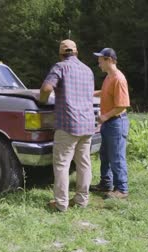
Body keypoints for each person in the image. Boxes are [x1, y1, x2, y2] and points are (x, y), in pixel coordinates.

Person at [40, 39, 95, 212]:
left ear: (61, 53)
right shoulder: (88, 70)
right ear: (76, 52)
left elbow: (47, 88)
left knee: (62, 164)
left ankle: (61, 204)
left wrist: (42, 100)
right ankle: (81, 201)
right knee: (84, 164)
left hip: (68, 124)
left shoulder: (60, 67)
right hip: (87, 123)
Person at [90, 48, 130, 199]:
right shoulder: (109, 77)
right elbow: (105, 92)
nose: (98, 63)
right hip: (109, 123)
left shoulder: (119, 79)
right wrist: (92, 92)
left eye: (100, 60)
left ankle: (122, 189)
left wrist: (105, 117)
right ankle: (106, 184)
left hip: (116, 123)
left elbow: (122, 105)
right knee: (105, 155)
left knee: (116, 157)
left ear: (109, 60)